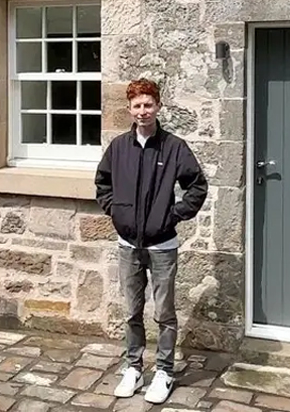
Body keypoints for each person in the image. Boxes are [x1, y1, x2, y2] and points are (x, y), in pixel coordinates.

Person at [94, 78, 208, 405]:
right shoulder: (118, 147)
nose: (143, 111)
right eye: (137, 106)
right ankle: (133, 367)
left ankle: (164, 370)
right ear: (129, 110)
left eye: (148, 105)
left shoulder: (174, 147)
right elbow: (103, 183)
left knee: (164, 312)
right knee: (131, 310)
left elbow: (197, 186)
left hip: (162, 247)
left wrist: (172, 215)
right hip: (128, 244)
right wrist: (116, 211)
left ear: (158, 106)